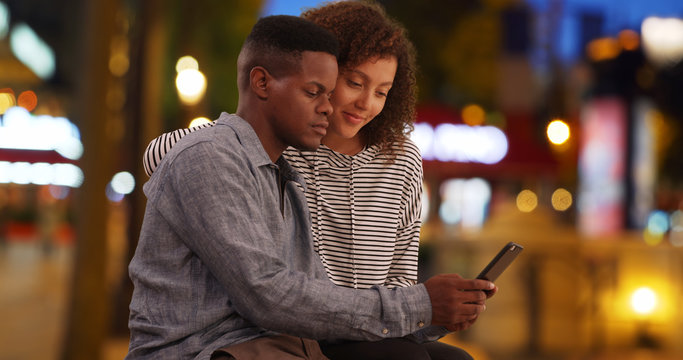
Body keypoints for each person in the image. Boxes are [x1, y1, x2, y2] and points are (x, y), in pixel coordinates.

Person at [141, 2, 495, 360]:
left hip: (358, 323)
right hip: (291, 329)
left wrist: (437, 311)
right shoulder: (276, 151)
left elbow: (398, 282)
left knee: (455, 359)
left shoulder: (398, 159)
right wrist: (234, 139)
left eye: (382, 92)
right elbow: (168, 154)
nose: (365, 102)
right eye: (353, 83)